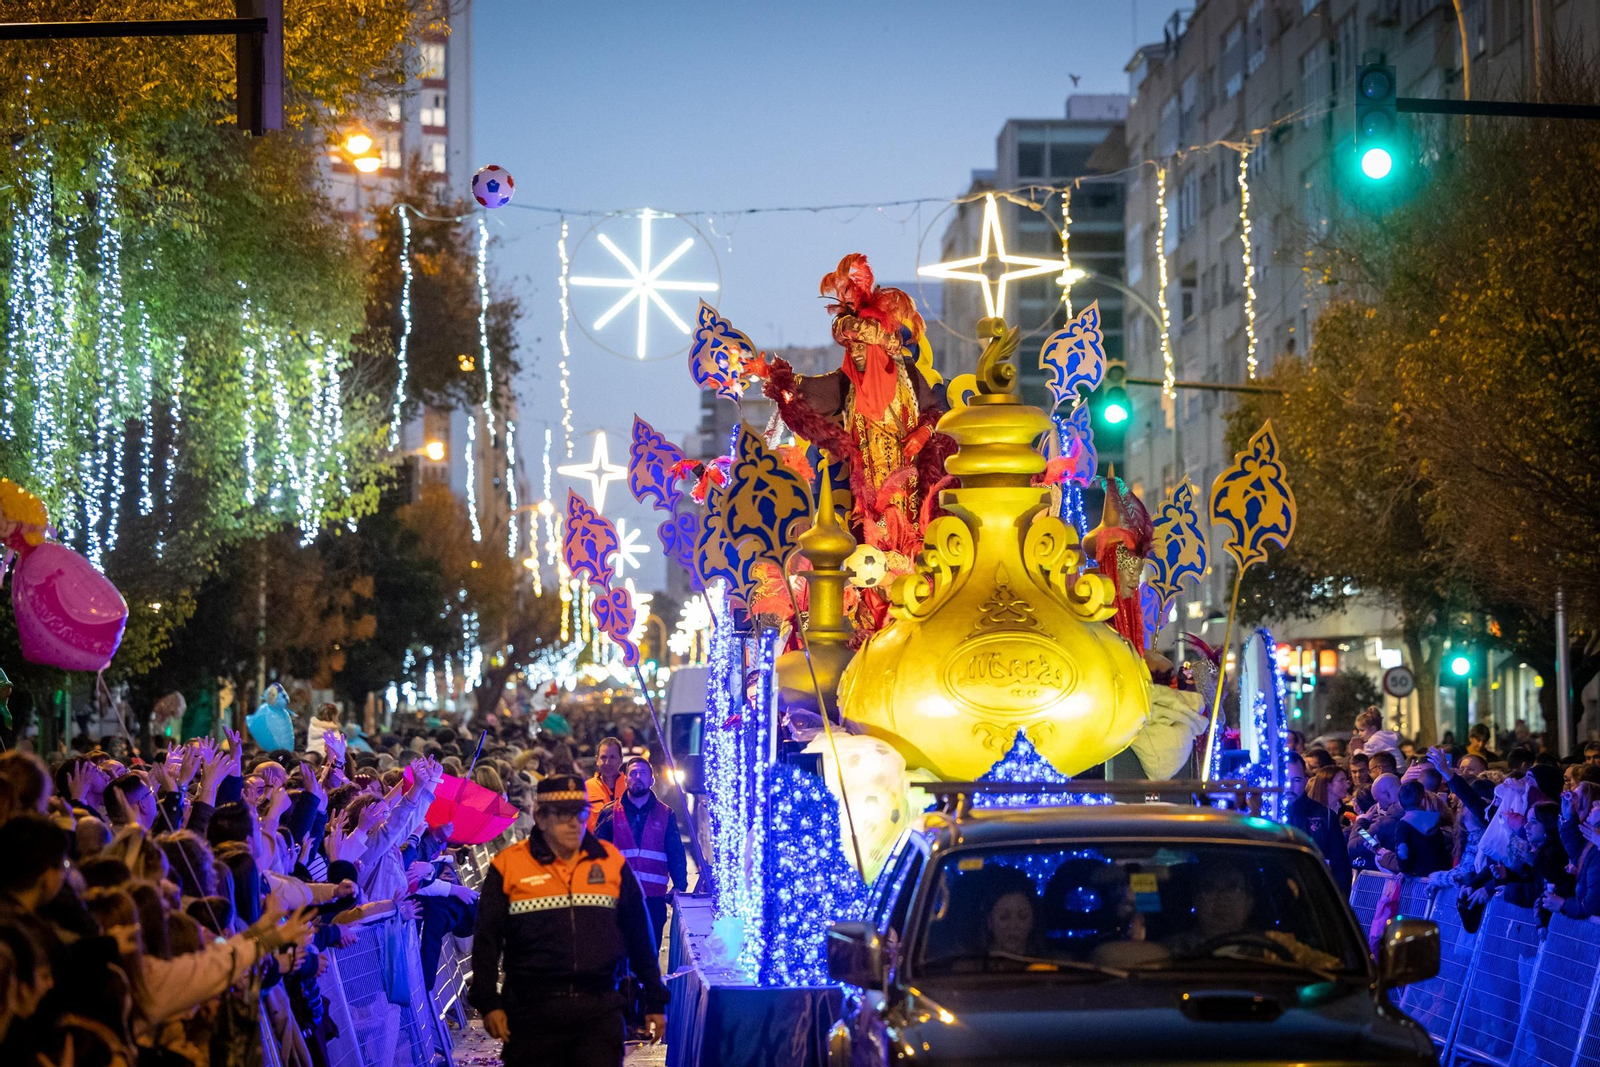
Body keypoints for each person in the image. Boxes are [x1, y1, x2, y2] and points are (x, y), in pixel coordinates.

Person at [470, 774, 668, 1067]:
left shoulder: (610, 862)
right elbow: (487, 939)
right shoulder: (509, 866)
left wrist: (654, 998)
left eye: (581, 813)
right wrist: (489, 1002)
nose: (575, 823)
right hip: (532, 1013)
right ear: (540, 817)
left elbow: (639, 935)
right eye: (564, 815)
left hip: (599, 1010)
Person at [595, 757, 689, 955]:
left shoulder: (666, 814)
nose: (638, 777)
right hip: (618, 899)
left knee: (648, 957)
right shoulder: (610, 813)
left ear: (652, 780)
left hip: (653, 901)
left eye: (643, 773)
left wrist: (680, 885)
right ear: (626, 779)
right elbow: (596, 855)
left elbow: (676, 852)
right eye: (633, 773)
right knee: (617, 956)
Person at [1284, 754, 1351, 894]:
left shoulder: (1325, 816)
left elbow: (1341, 869)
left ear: (1306, 781)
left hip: (1314, 896)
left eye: (1296, 780)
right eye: (1284, 779)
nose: (1289, 786)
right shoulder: (1265, 815)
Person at [585, 737, 625, 833]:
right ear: (597, 759)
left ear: (621, 759)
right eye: (603, 757)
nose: (607, 762)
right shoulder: (586, 788)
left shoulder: (630, 787)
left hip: (625, 846)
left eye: (612, 757)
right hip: (596, 846)